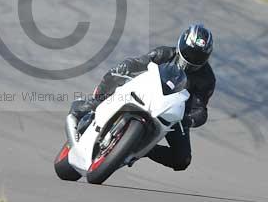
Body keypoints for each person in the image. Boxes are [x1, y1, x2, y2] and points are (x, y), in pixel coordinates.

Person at [69, 24, 216, 171]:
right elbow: (138, 63)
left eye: (199, 56)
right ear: (181, 44)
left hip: (173, 115)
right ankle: (89, 106)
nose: (192, 58)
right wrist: (122, 70)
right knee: (118, 78)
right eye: (189, 52)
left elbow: (200, 108)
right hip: (146, 93)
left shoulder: (207, 79)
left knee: (182, 160)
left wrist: (189, 119)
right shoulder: (164, 53)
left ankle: (142, 148)